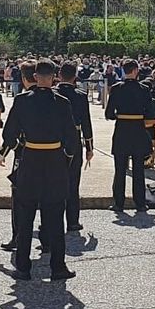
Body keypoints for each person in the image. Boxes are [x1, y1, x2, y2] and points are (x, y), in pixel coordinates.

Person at [0, 59, 82, 281]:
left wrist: (22, 147)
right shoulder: (62, 102)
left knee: (25, 215)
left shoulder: (22, 101)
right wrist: (66, 160)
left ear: (35, 77)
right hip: (54, 162)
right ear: (54, 77)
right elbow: (72, 140)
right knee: (54, 216)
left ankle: (23, 267)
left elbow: (8, 135)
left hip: (30, 160)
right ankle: (58, 266)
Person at [105, 60, 154, 212]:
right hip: (138, 130)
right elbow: (151, 112)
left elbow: (108, 113)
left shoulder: (116, 88)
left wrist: (120, 116)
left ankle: (119, 203)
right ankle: (140, 203)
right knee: (138, 169)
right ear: (135, 71)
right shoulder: (144, 89)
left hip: (121, 130)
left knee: (120, 169)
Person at [57, 62, 95, 232]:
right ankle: (73, 221)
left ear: (59, 74)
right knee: (73, 183)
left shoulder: (54, 94)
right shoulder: (80, 96)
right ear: (75, 77)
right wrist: (89, 146)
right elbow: (86, 123)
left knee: (54, 183)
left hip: (55, 142)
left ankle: (55, 220)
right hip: (74, 141)